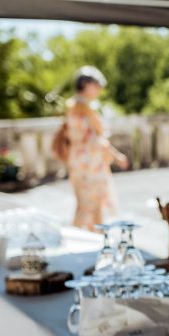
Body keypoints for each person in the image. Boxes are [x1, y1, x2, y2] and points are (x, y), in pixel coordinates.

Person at [65, 66, 128, 230]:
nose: (99, 89)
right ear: (87, 85)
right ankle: (96, 241)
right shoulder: (86, 107)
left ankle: (82, 239)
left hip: (77, 160)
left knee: (84, 205)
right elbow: (98, 138)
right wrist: (116, 155)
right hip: (91, 161)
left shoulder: (71, 105)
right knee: (95, 205)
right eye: (97, 85)